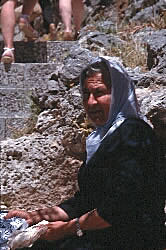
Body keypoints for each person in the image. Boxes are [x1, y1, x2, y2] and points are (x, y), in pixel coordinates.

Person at [5, 57, 165, 249]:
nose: (91, 102)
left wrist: (68, 229)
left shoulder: (133, 135)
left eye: (99, 93)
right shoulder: (102, 138)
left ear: (119, 94)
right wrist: (35, 216)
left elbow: (118, 208)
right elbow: (86, 201)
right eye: (86, 94)